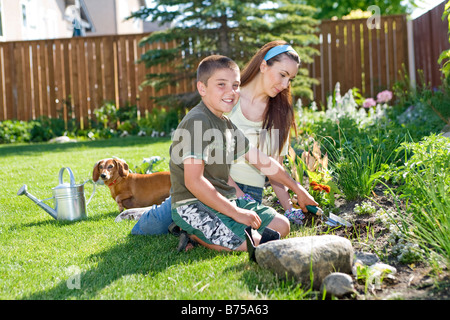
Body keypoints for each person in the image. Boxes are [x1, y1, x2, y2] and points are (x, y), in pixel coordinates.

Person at [121, 41, 314, 236]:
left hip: (241, 192)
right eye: (282, 74)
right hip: (208, 184)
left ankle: (189, 228)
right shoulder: (224, 99)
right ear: (264, 66)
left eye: (290, 79)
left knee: (263, 228)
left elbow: (268, 164)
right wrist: (236, 202)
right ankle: (159, 216)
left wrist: (295, 196)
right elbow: (209, 169)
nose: (285, 84)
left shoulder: (277, 112)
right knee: (155, 224)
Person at [168, 54, 317, 252]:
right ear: (202, 88)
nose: (231, 92)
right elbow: (193, 182)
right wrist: (237, 213)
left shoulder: (226, 124)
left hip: (224, 199)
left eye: (235, 86)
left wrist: (298, 189)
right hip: (193, 204)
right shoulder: (197, 122)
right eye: (221, 84)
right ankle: (192, 233)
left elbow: (264, 162)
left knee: (281, 226)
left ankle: (215, 228)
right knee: (254, 242)